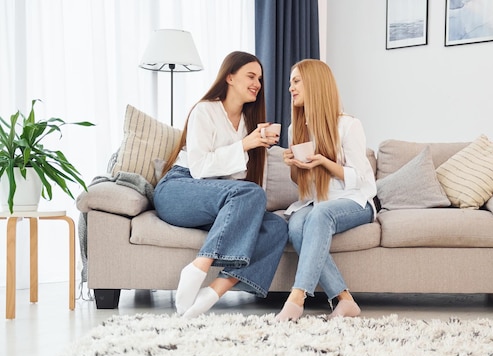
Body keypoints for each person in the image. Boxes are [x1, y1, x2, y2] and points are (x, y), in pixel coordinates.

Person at [154, 51, 288, 319]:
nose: (257, 84)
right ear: (229, 77)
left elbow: (240, 188)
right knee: (250, 192)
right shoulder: (205, 110)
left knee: (276, 226)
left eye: (260, 79)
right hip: (179, 189)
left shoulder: (249, 124)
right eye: (251, 76)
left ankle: (214, 292)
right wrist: (246, 144)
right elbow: (201, 168)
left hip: (216, 203)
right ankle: (198, 267)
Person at [275, 59, 377, 321]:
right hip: (316, 201)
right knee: (296, 226)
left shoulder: (348, 125)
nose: (291, 88)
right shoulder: (295, 128)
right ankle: (344, 300)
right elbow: (303, 185)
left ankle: (296, 299)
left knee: (320, 216)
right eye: (290, 83)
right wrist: (294, 166)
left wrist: (326, 163)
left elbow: (362, 178)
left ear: (315, 84)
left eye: (296, 81)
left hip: (355, 201)